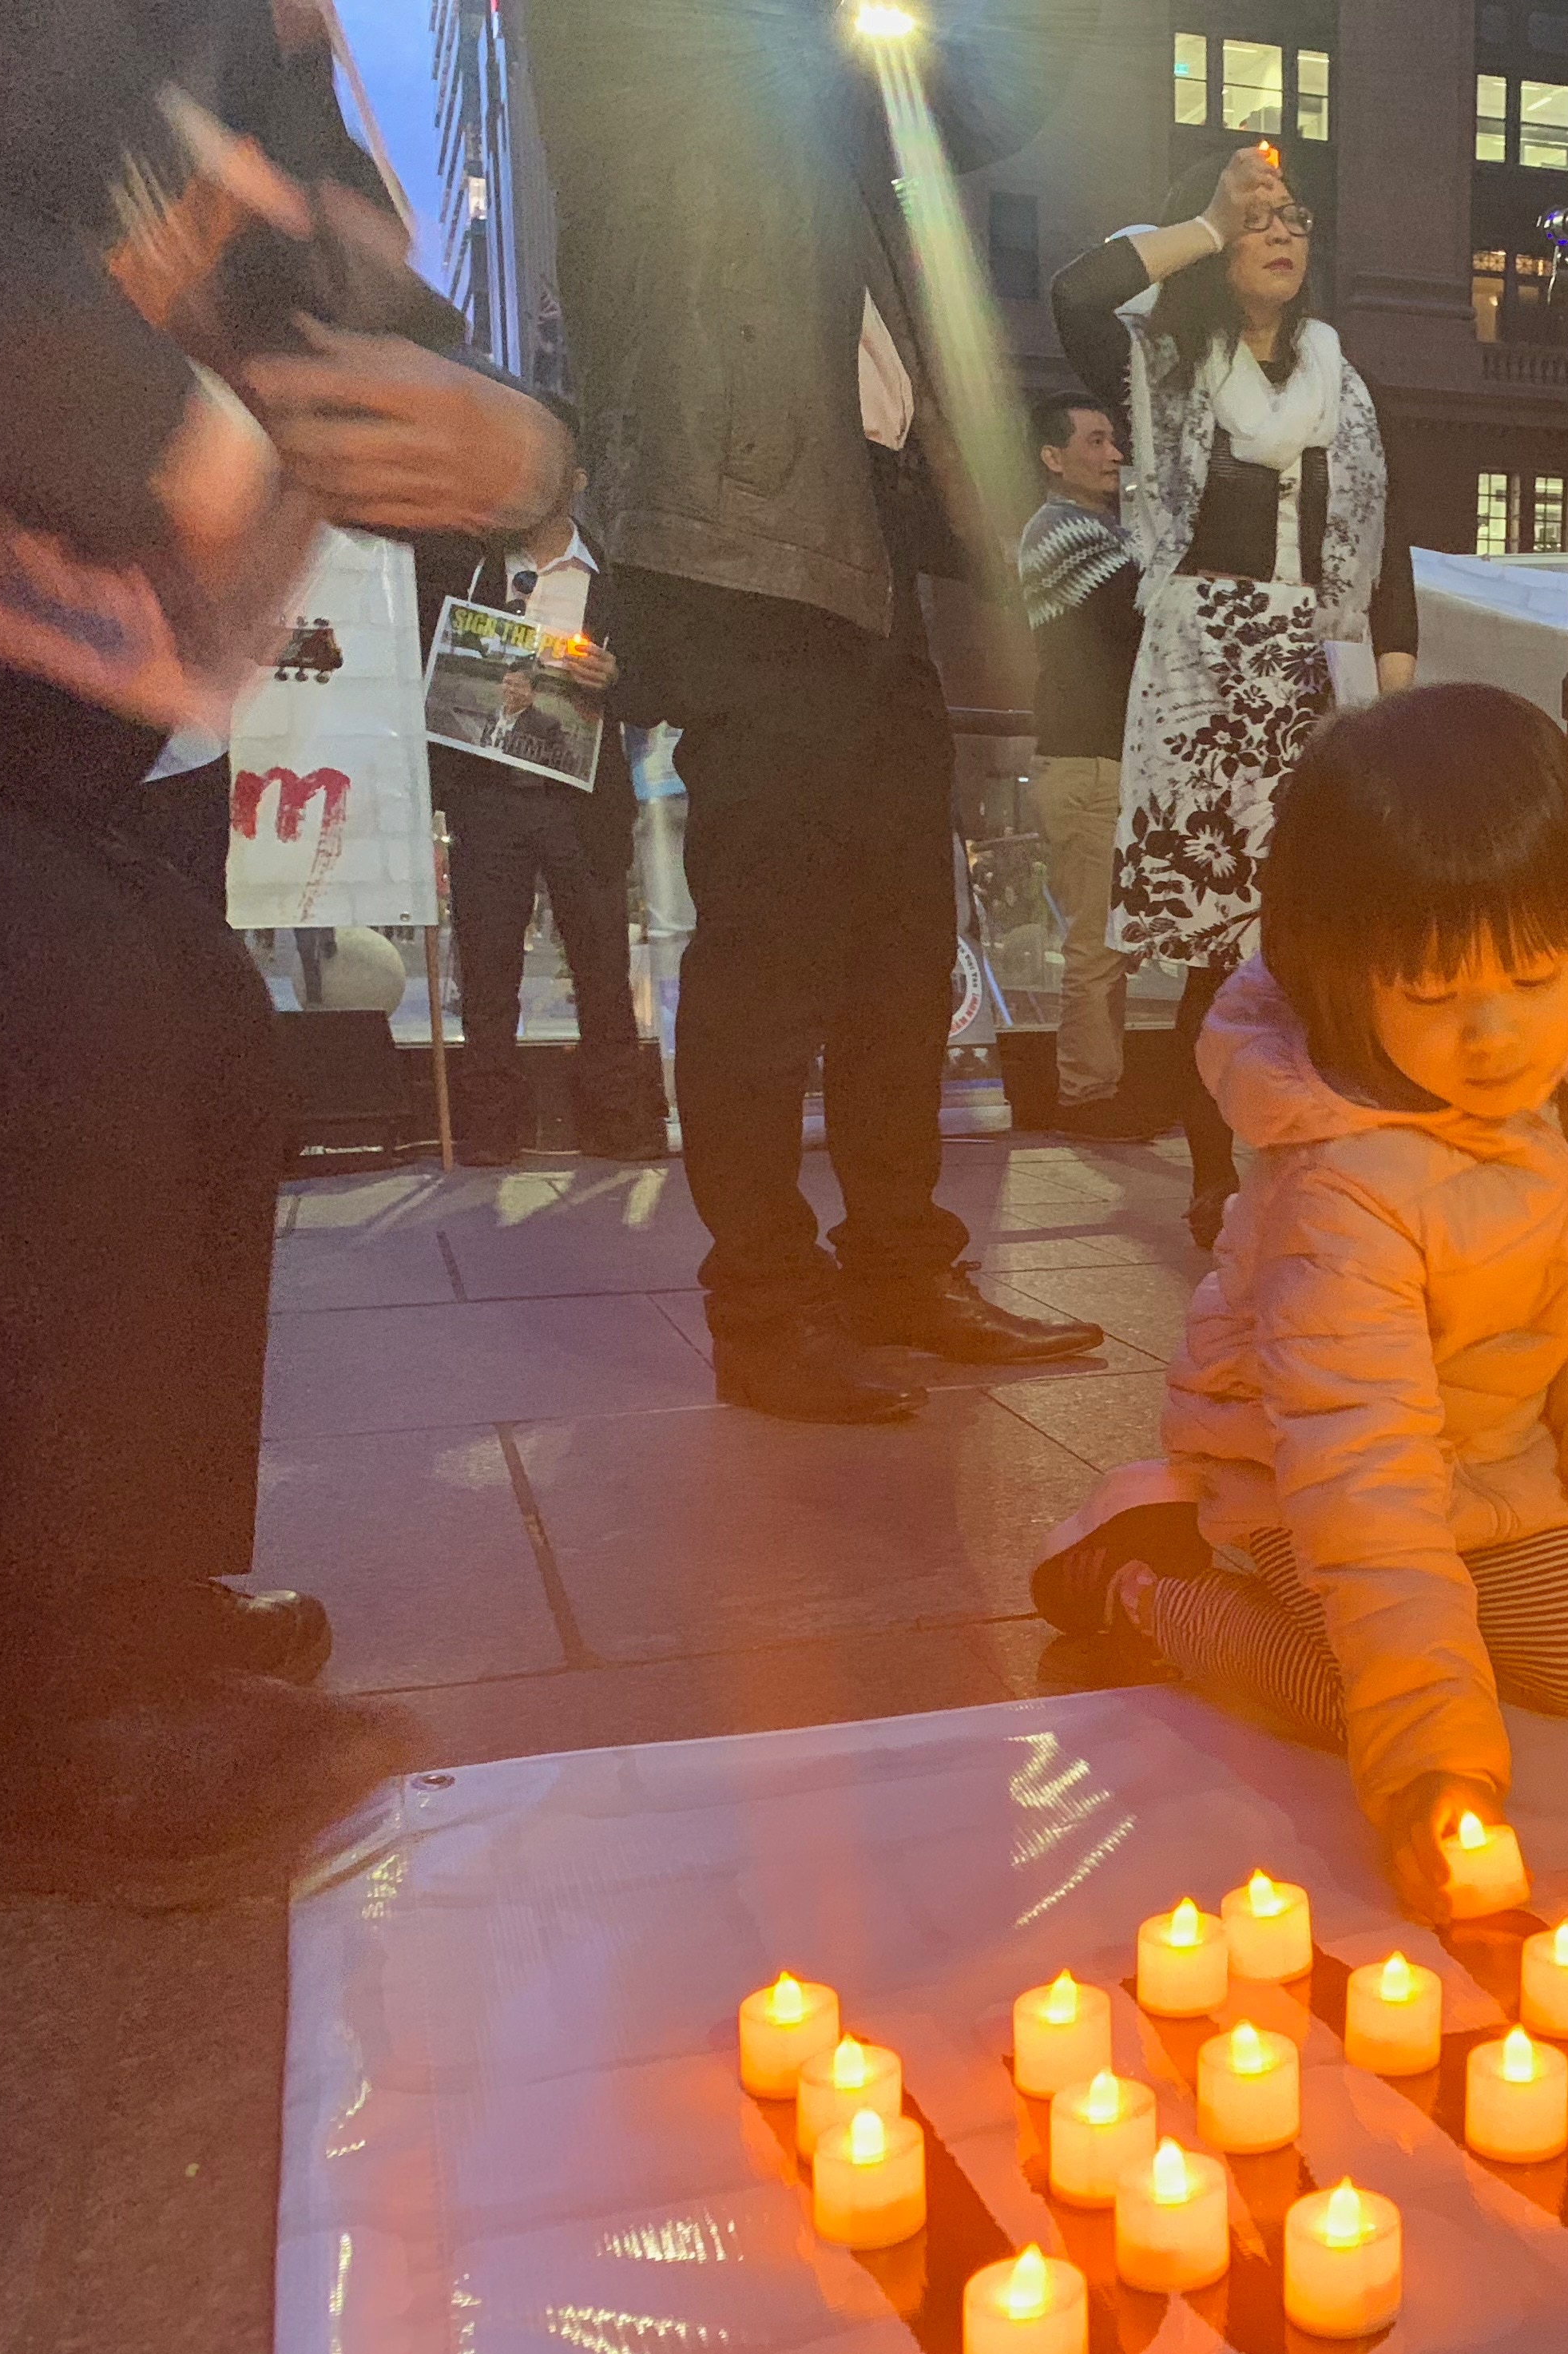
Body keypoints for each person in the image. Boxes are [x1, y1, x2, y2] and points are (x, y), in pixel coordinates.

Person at [0, 0, 570, 1899]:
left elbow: (335, 283)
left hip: (25, 675)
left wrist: (518, 448)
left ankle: (132, 1608)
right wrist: (174, 436)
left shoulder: (251, 33)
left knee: (187, 1021)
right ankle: (8, 1731)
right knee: (30, 1007)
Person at [524, 0, 1103, 1425]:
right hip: (728, 546)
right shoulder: (667, 54)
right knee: (771, 954)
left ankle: (901, 1261)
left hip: (862, 546)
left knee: (904, 948)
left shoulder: (829, 81)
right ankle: (767, 1306)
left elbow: (977, 94)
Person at [1026, 686, 1568, 1916]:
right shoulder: (1345, 1187)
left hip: (1486, 1452)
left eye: (1534, 976)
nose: (1497, 1037)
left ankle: (1410, 1628)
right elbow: (1364, 1475)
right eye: (1433, 999)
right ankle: (1150, 1581)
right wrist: (1431, 1762)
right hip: (1296, 1461)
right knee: (1357, 1698)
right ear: (1339, 982)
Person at [1051, 146, 1419, 1249]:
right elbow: (1077, 289)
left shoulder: (1341, 383)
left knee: (1313, 934)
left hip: (1310, 668)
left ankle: (1311, 1153)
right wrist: (1209, 221)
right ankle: (1216, 1176)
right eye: (1256, 216)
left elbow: (1378, 545)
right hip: (1200, 672)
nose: (1278, 228)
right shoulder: (1159, 367)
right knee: (1217, 949)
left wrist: (1391, 682)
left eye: (1293, 215)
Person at [419, 464, 672, 1165]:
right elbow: (430, 662)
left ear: (579, 480)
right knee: (489, 971)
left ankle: (617, 1122)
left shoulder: (614, 577)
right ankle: (493, 1129)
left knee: (601, 967)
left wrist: (615, 678)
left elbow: (657, 688)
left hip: (581, 803)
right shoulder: (469, 567)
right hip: (488, 795)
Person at [1017, 391, 1165, 1141]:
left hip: (1092, 765)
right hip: (1087, 766)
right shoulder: (1067, 533)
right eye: (1096, 442)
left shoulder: (1089, 530)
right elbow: (1136, 615)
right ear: (1054, 458)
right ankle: (1087, 1096)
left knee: (1105, 944)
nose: (1113, 455)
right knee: (1096, 946)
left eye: (1114, 441)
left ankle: (1097, 1088)